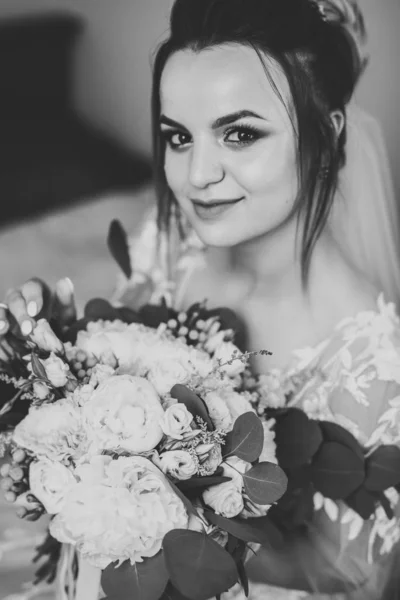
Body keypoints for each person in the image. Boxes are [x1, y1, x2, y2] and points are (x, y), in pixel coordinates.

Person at [1, 0, 400, 598]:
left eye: (239, 134)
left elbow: (344, 579)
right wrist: (52, 358)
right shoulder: (171, 244)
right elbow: (110, 369)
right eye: (178, 137)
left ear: (328, 131)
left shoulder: (368, 360)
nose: (195, 176)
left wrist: (178, 526)